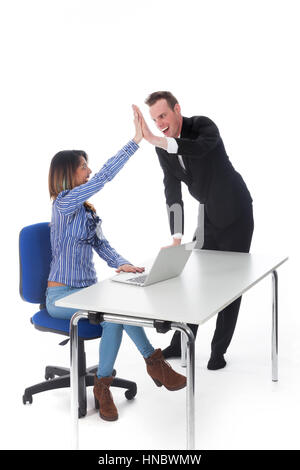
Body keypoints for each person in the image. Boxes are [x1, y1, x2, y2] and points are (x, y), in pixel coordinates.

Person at [45, 107, 186, 422]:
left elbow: (102, 245)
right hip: (61, 298)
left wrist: (123, 264)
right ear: (68, 174)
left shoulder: (86, 210)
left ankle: (136, 371)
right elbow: (106, 176)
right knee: (114, 317)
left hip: (88, 293)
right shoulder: (64, 203)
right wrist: (135, 142)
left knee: (123, 309)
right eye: (83, 167)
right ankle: (114, 381)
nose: (90, 170)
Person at [133, 91, 254, 370]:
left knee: (229, 284)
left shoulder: (203, 126)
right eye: (154, 119)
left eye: (163, 115)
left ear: (177, 109)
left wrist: (156, 140)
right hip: (208, 214)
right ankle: (181, 342)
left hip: (236, 211)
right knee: (195, 278)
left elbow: (197, 148)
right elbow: (171, 189)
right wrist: (176, 236)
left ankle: (218, 350)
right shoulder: (162, 147)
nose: (159, 123)